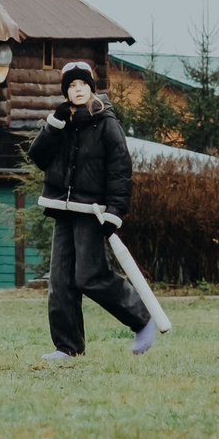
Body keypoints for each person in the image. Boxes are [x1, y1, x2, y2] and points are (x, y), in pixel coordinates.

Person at [29, 59, 158, 357]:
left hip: (93, 211)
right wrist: (54, 124)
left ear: (91, 88)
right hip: (63, 209)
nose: (78, 90)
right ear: (66, 93)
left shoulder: (107, 122)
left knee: (89, 275)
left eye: (82, 85)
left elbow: (120, 168)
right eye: (72, 86)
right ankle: (68, 346)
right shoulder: (61, 122)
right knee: (60, 282)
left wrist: (115, 210)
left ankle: (142, 319)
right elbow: (37, 156)